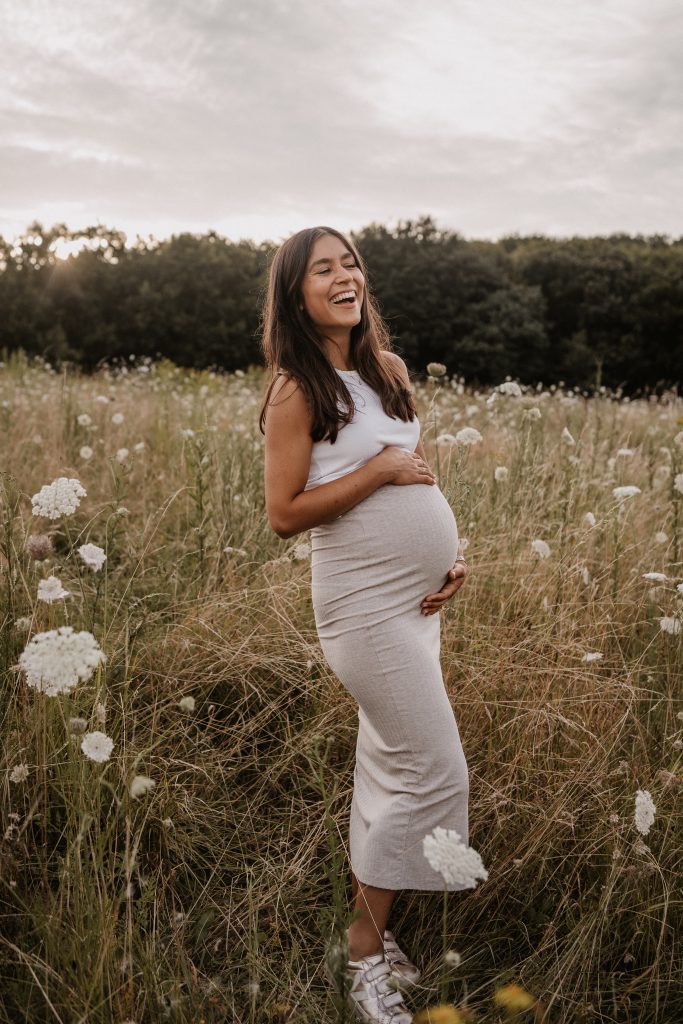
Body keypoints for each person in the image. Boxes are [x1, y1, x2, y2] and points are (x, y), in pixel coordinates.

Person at [259, 226, 470, 1023]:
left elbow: (414, 471)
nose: (344, 276)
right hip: (360, 606)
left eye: (349, 262)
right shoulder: (295, 389)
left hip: (413, 601)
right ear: (295, 294)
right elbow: (283, 514)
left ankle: (375, 946)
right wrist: (379, 472)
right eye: (323, 269)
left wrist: (447, 557)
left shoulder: (386, 370)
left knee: (388, 767)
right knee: (433, 767)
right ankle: (361, 955)